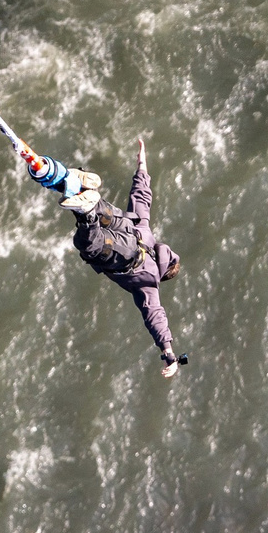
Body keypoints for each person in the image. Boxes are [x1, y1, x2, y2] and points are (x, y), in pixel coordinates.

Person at [32, 136, 189, 375]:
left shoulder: (147, 231)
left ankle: (83, 187)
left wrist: (142, 166)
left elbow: (142, 197)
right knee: (91, 245)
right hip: (125, 255)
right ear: (165, 272)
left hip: (128, 226)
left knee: (107, 214)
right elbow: (155, 318)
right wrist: (169, 354)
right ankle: (86, 212)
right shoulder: (149, 283)